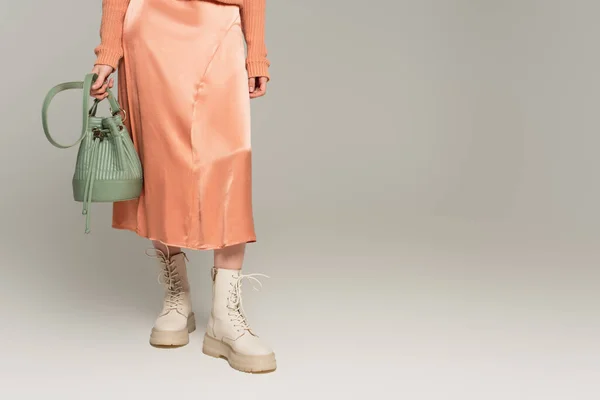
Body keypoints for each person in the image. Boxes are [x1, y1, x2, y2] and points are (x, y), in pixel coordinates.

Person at [90, 0, 274, 373]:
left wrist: (256, 52)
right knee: (161, 164)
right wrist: (109, 50)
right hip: (150, 32)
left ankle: (225, 312)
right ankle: (177, 294)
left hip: (217, 24)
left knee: (229, 160)